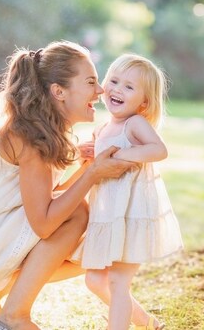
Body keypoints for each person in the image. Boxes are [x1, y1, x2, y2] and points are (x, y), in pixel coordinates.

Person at [0, 40, 138, 330]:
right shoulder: (30, 136)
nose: (100, 91)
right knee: (77, 214)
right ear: (58, 91)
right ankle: (14, 317)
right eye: (90, 82)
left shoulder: (42, 128)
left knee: (91, 244)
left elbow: (49, 202)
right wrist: (92, 174)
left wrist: (87, 167)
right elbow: (45, 224)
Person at [72, 54, 183, 330]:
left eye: (129, 87)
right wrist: (85, 154)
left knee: (117, 282)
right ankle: (149, 324)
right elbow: (98, 165)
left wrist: (124, 153)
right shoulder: (102, 128)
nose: (117, 89)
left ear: (143, 102)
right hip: (108, 215)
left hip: (131, 216)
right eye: (114, 81)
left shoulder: (135, 124)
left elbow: (159, 150)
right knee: (95, 280)